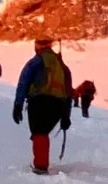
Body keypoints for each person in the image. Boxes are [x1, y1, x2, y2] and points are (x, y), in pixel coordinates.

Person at [13, 38, 73, 175]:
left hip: (39, 101)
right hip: (58, 105)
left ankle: (40, 166)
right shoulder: (62, 66)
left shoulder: (36, 61)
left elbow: (24, 82)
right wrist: (66, 115)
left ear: (38, 46)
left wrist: (18, 105)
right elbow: (69, 92)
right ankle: (41, 163)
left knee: (39, 132)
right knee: (43, 133)